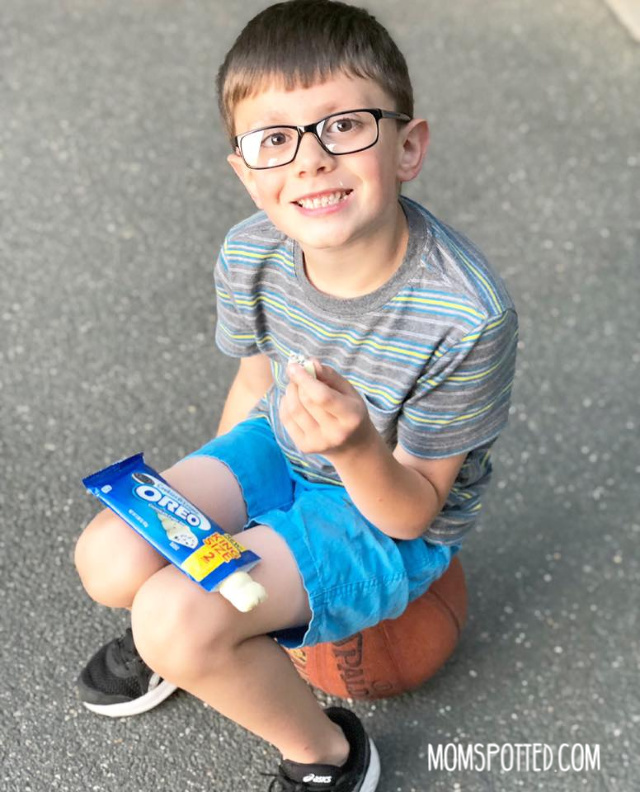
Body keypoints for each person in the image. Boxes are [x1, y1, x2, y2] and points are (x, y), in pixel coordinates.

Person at [74, 1, 518, 789]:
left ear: (407, 146)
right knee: (109, 556)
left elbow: (414, 510)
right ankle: (188, 643)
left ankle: (331, 756)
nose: (310, 161)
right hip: (278, 443)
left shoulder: (467, 315)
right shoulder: (251, 253)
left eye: (344, 126)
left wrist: (351, 448)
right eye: (275, 140)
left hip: (385, 507)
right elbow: (253, 386)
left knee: (175, 617)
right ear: (247, 174)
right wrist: (207, 525)